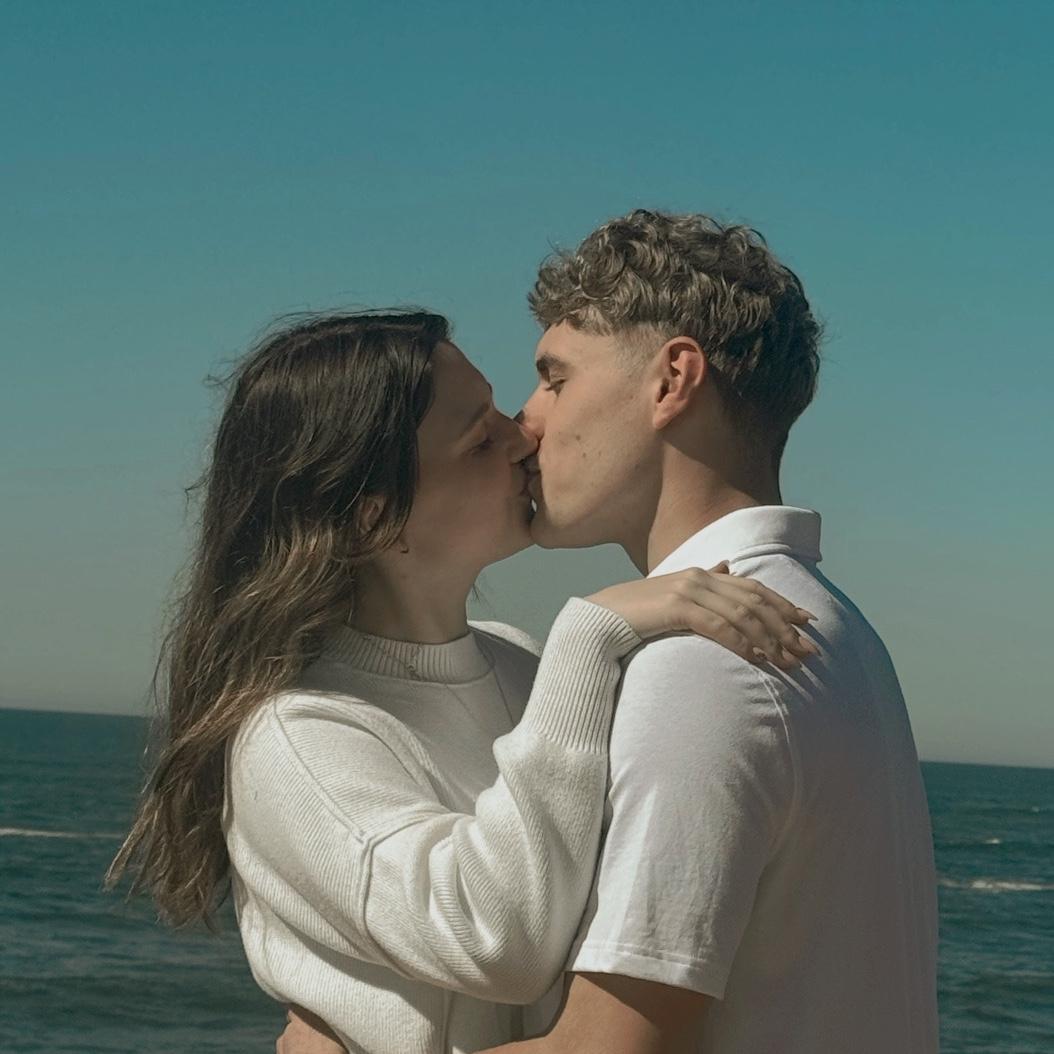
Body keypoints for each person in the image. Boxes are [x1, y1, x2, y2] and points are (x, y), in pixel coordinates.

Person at [287, 211, 939, 1054]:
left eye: (554, 379)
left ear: (672, 381)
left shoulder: (701, 665)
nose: (526, 423)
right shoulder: (838, 628)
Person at [105, 310, 814, 1054]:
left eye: (501, 413)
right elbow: (499, 943)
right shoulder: (295, 735)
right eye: (480, 440)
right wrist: (589, 633)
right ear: (374, 517)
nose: (524, 438)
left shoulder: (523, 665)